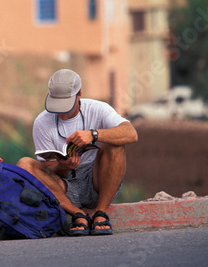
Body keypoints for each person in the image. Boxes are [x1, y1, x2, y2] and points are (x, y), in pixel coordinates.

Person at [17, 69, 138, 236]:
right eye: (57, 106)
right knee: (24, 164)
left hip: (98, 182)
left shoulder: (98, 109)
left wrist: (94, 134)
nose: (61, 112)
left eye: (65, 106)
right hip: (64, 189)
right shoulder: (42, 122)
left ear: (79, 94)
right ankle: (78, 215)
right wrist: (64, 166)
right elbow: (48, 173)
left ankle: (100, 214)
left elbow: (131, 134)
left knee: (114, 143)